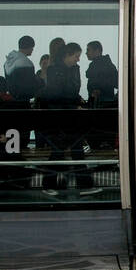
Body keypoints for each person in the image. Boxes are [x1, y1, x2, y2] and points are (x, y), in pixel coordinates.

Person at [39, 41, 86, 193]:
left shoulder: (66, 70)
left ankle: (51, 184)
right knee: (65, 151)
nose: (78, 59)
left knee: (63, 151)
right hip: (61, 116)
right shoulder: (57, 71)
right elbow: (58, 95)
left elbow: (66, 93)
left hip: (68, 115)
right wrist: (75, 105)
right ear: (67, 55)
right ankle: (83, 184)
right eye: (76, 56)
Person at [3, 36, 40, 101]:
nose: (32, 50)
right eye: (32, 47)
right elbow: (28, 85)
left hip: (12, 99)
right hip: (23, 100)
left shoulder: (8, 62)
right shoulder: (26, 63)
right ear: (28, 47)